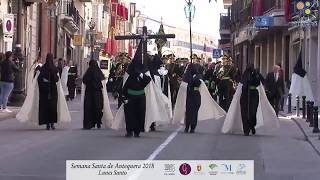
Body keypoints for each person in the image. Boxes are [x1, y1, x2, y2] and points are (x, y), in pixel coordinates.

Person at [112, 42, 171, 137]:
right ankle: (130, 130)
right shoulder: (130, 76)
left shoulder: (143, 76)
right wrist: (123, 96)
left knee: (139, 114)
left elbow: (147, 82)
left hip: (140, 97)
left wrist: (141, 75)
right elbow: (125, 87)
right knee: (130, 115)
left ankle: (137, 131)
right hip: (131, 97)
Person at [221, 64, 280, 135]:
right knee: (244, 113)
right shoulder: (245, 75)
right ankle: (246, 129)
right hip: (245, 96)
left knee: (253, 112)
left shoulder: (256, 74)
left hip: (253, 95)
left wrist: (255, 76)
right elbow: (240, 81)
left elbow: (260, 82)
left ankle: (252, 125)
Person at [173, 63, 226, 133]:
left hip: (193, 96)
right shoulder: (191, 77)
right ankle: (190, 127)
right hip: (193, 96)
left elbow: (199, 85)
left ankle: (189, 127)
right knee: (191, 112)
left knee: (191, 112)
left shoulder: (193, 76)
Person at [82, 60, 113, 130]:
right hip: (97, 94)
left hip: (89, 93)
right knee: (98, 107)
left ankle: (88, 124)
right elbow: (103, 82)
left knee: (88, 108)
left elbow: (84, 81)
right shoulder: (99, 72)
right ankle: (98, 122)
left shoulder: (88, 72)